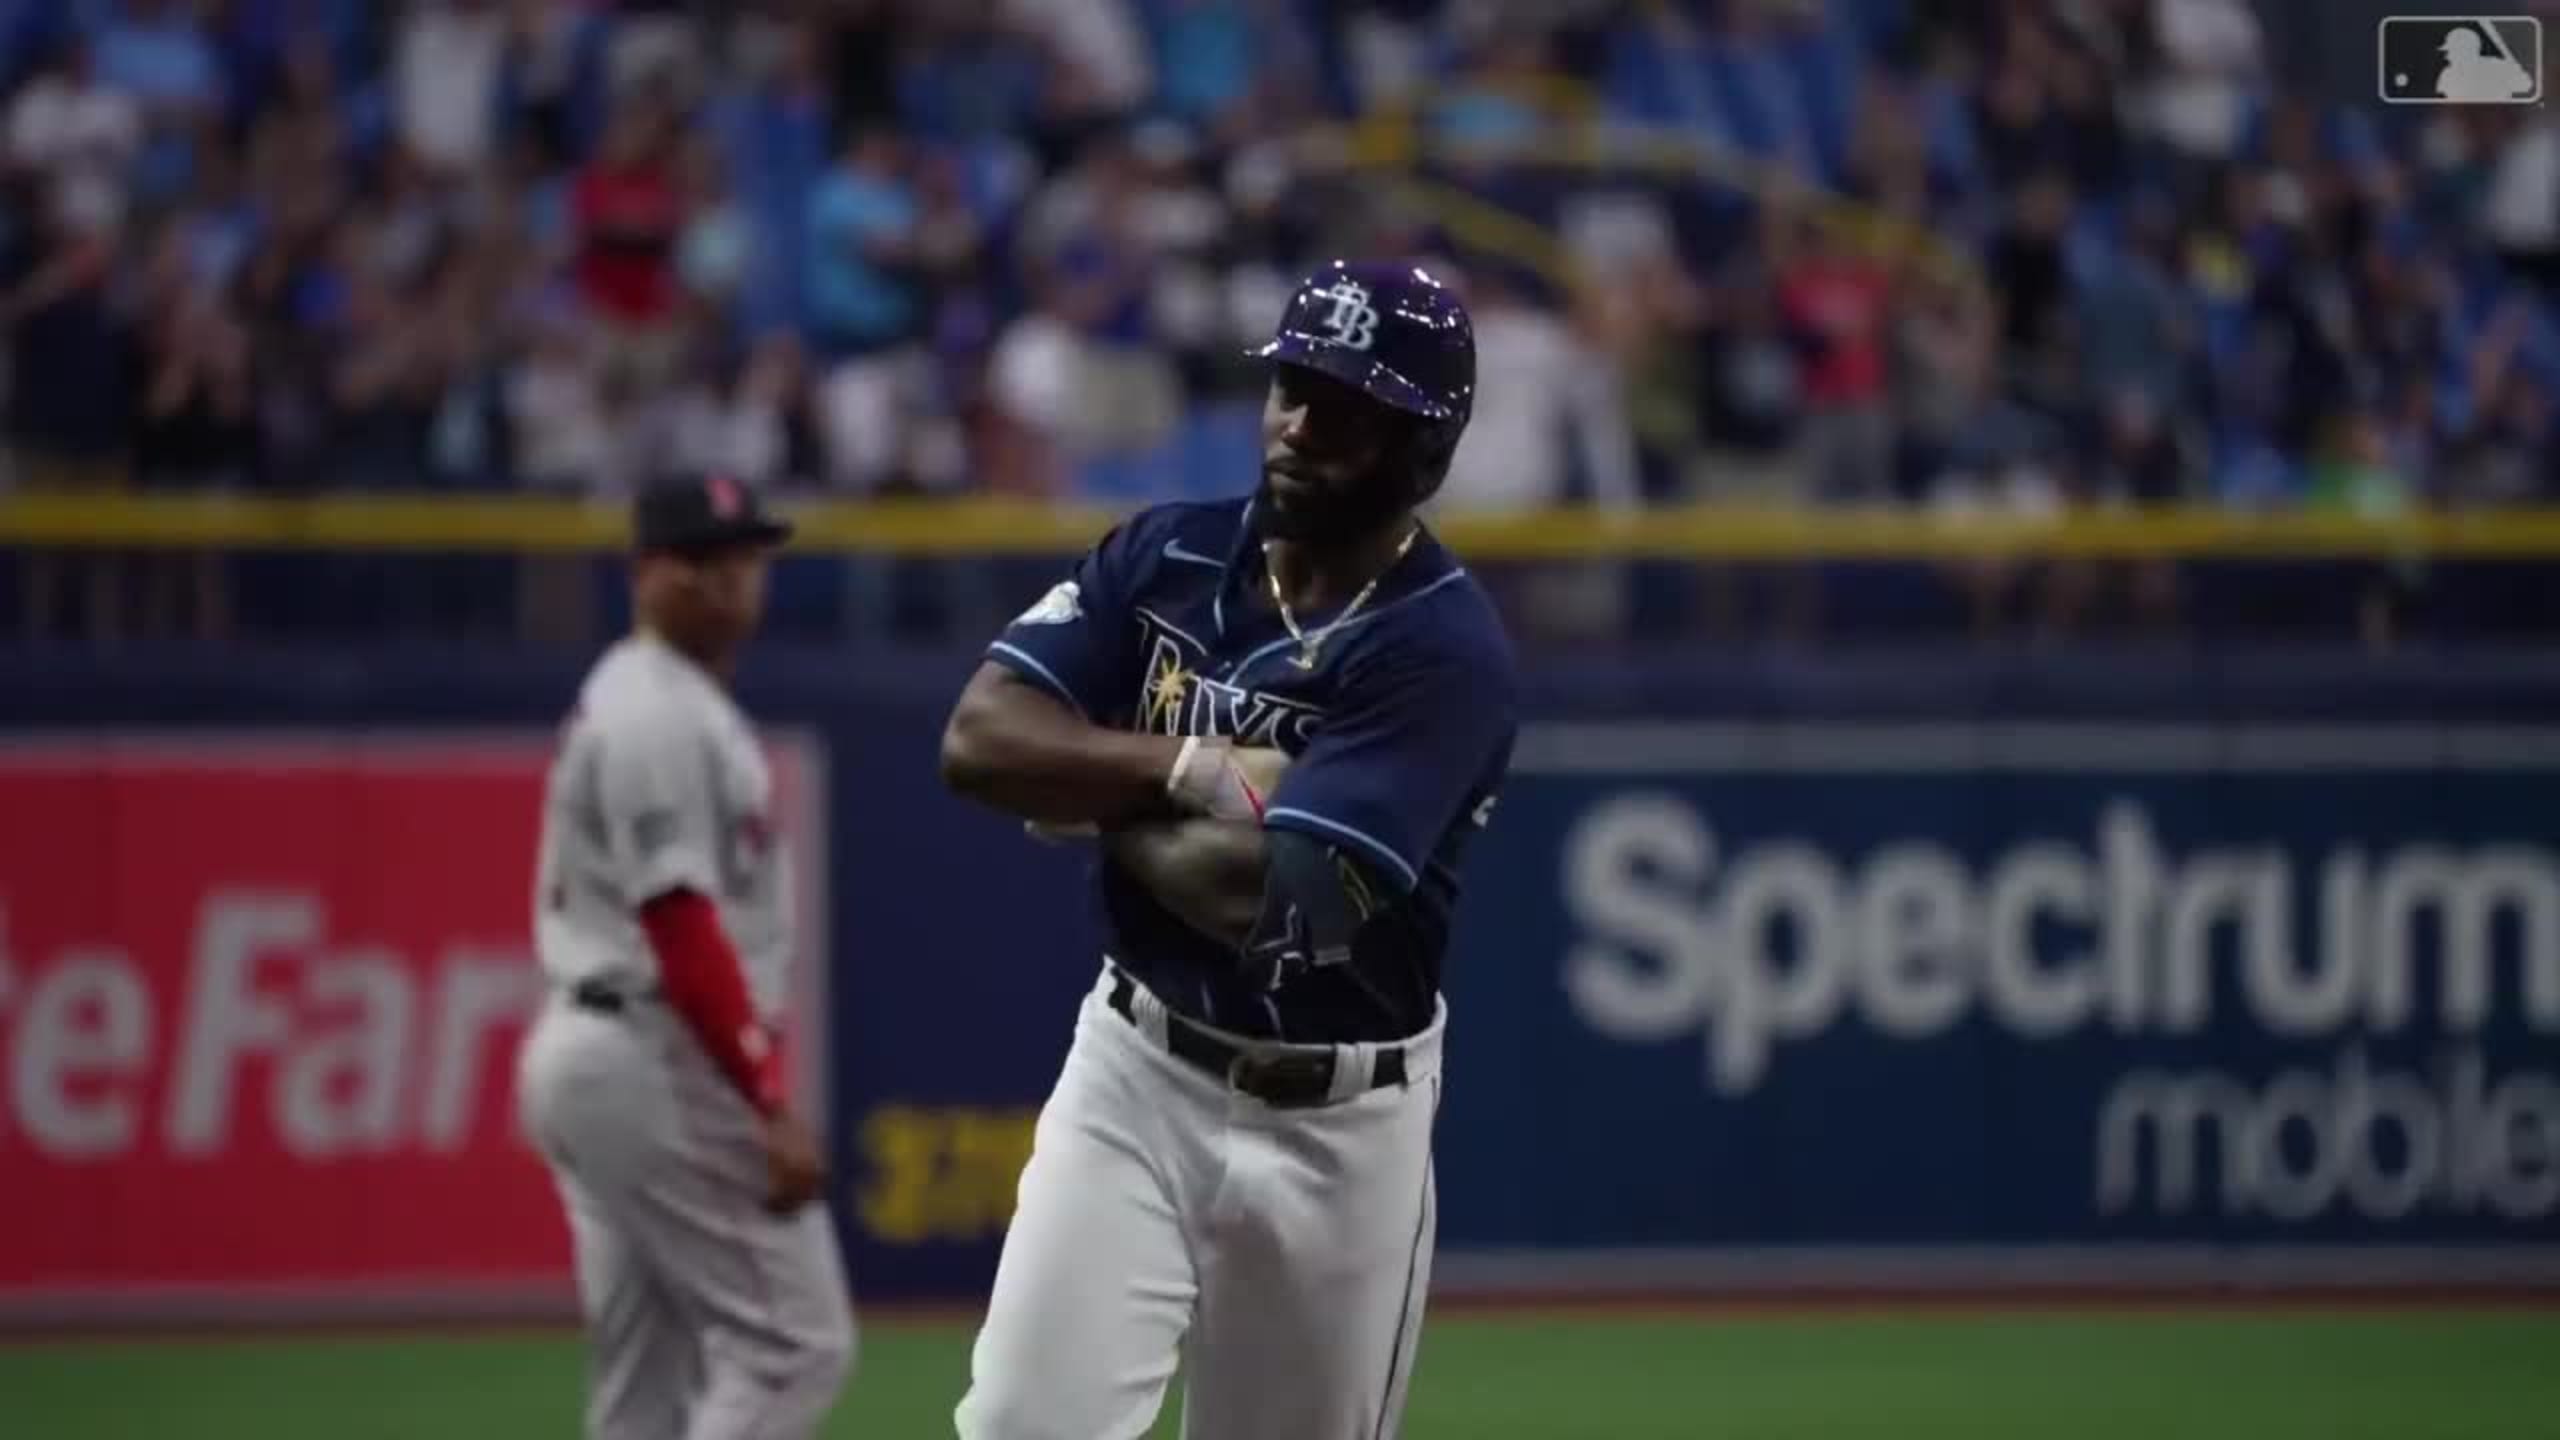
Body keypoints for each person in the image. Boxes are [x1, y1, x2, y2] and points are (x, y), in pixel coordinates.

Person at [939, 259, 1520, 1438]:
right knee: (1018, 1424)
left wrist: (1089, 792)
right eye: (1291, 386)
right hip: (1136, 1072)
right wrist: (1183, 770)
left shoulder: (1441, 651)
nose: (1297, 425)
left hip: (1337, 1126)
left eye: (1344, 407)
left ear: (1424, 448)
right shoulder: (1168, 556)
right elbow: (979, 739)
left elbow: (1271, 902)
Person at [516, 473, 854, 1440]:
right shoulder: (652, 711)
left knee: (648, 1381)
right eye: (703, 560)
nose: (729, 580)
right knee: (795, 1345)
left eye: (744, 557)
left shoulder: (670, 700)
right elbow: (679, 924)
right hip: (650, 1053)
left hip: (611, 1049)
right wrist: (765, 1097)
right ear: (647, 573)